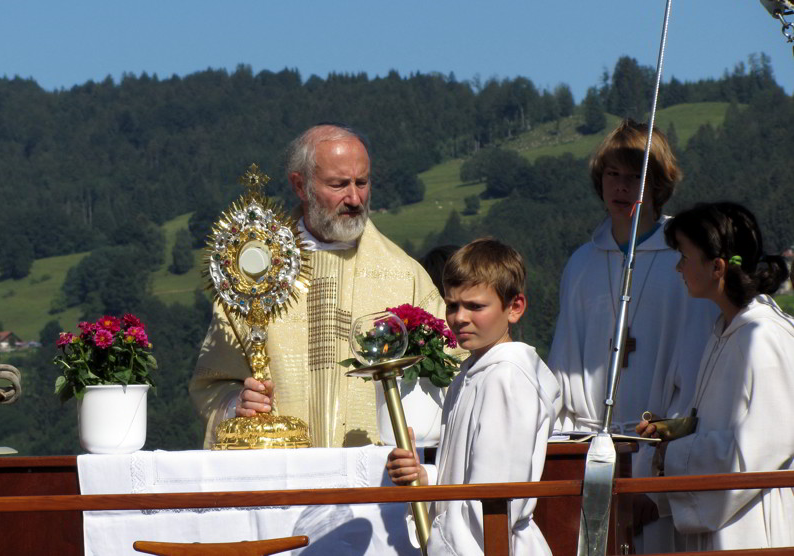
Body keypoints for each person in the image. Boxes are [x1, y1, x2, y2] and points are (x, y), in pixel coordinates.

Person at [189, 124, 449, 448]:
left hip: (375, 477)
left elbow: (450, 364)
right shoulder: (251, 274)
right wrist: (236, 404)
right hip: (280, 474)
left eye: (362, 182)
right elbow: (211, 382)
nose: (355, 198)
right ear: (301, 185)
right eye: (339, 184)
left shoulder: (404, 275)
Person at [636, 202, 794, 550]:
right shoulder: (726, 330)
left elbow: (764, 447)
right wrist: (668, 434)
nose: (678, 267)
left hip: (755, 523)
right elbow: (715, 425)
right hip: (730, 519)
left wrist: (673, 455)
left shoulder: (762, 337)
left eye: (685, 257)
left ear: (717, 266)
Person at [386, 238, 559, 555]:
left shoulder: (507, 376)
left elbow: (495, 499)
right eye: (452, 305)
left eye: (475, 306)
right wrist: (426, 476)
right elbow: (466, 476)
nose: (459, 317)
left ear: (515, 307)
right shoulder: (472, 372)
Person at [547, 120, 717, 434]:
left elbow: (698, 354)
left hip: (660, 436)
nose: (622, 186)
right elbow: (563, 356)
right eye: (613, 174)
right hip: (586, 435)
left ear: (658, 184)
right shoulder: (582, 263)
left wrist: (675, 426)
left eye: (636, 176)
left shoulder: (685, 257)